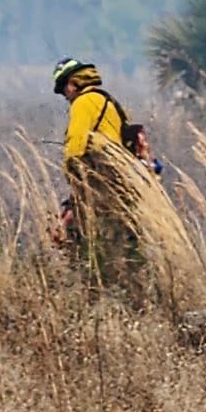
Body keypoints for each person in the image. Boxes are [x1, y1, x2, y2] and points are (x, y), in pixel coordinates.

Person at [52, 57, 142, 284]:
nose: (66, 96)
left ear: (73, 84)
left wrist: (71, 173)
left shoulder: (82, 103)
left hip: (98, 178)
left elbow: (76, 144)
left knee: (80, 234)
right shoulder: (112, 103)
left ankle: (90, 283)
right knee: (122, 234)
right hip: (121, 178)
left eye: (65, 90)